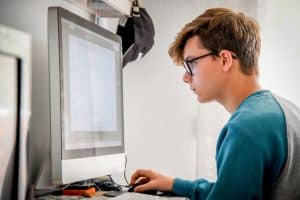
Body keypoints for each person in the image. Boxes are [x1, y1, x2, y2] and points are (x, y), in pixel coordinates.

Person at [129, 7, 300, 200]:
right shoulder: (285, 111)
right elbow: (236, 190)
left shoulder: (247, 127)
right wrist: (174, 184)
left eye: (191, 63)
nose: (186, 77)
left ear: (225, 60)